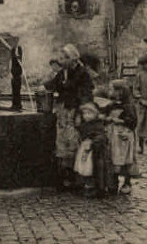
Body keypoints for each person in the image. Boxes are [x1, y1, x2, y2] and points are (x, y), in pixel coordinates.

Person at [44, 44, 94, 190]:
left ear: (72, 58)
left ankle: (78, 175)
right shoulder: (63, 72)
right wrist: (44, 86)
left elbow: (86, 94)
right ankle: (66, 175)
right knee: (63, 141)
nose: (61, 60)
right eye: (61, 58)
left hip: (75, 110)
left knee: (75, 141)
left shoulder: (82, 73)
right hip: (64, 110)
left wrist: (82, 111)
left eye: (64, 58)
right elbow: (53, 84)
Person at [106, 80, 138, 195]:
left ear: (120, 91)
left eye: (112, 89)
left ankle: (127, 182)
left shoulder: (128, 106)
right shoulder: (111, 105)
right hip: (113, 135)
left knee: (125, 159)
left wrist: (118, 120)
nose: (110, 91)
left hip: (124, 135)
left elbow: (133, 122)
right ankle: (113, 181)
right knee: (114, 157)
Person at [76, 101, 109, 198]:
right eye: (84, 114)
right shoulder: (85, 125)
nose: (86, 116)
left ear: (95, 114)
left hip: (95, 151)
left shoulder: (97, 125)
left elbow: (101, 137)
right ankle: (88, 185)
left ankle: (97, 187)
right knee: (85, 168)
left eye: (89, 113)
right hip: (86, 149)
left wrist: (93, 142)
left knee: (94, 168)